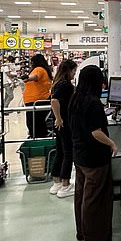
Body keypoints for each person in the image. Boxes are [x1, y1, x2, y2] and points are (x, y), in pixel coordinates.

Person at [69, 65, 117, 241]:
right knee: (95, 198)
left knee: (82, 194)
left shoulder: (76, 97)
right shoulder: (94, 102)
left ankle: (82, 231)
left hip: (80, 155)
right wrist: (112, 144)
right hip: (94, 157)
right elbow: (96, 132)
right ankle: (95, 239)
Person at [49, 59, 77, 198]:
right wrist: (59, 118)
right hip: (64, 123)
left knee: (60, 151)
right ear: (68, 71)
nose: (74, 74)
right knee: (68, 153)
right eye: (73, 71)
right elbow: (54, 101)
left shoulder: (56, 83)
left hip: (59, 124)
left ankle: (57, 181)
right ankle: (66, 185)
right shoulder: (65, 85)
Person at [22, 53, 52, 138]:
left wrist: (27, 78)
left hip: (36, 101)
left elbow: (35, 77)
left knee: (34, 124)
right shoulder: (45, 70)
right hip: (40, 99)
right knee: (39, 122)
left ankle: (37, 139)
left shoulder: (39, 69)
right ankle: (40, 138)